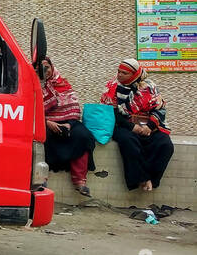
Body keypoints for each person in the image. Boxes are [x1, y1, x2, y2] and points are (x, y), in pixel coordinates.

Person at [102, 58, 174, 192]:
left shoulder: (149, 87)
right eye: (119, 71)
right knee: (129, 142)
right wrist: (132, 127)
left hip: (149, 125)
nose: (120, 75)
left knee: (165, 145)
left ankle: (152, 179)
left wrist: (150, 127)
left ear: (135, 74)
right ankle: (142, 179)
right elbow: (111, 113)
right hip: (124, 125)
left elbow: (160, 108)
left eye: (124, 73)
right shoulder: (112, 87)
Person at [39, 57, 95, 196]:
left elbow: (74, 109)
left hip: (67, 121)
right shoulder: (33, 85)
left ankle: (80, 181)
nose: (45, 70)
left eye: (47, 67)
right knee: (41, 135)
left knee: (83, 136)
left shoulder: (62, 84)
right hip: (43, 121)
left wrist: (68, 124)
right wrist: (47, 122)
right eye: (41, 67)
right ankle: (41, 179)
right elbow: (30, 110)